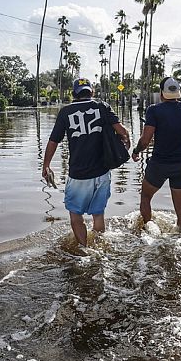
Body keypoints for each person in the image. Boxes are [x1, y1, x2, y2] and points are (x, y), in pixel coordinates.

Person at [42, 78, 130, 248]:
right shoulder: (102, 106)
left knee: (76, 216)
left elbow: (53, 141)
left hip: (79, 174)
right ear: (92, 92)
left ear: (74, 94)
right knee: (98, 215)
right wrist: (127, 147)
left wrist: (46, 165)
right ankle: (99, 248)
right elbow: (123, 132)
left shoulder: (65, 112)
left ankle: (84, 250)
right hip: (102, 172)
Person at [132, 77, 181, 230]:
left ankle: (149, 231)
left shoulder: (154, 110)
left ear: (161, 93)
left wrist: (136, 151)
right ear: (178, 93)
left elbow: (145, 140)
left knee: (146, 197)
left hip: (159, 164)